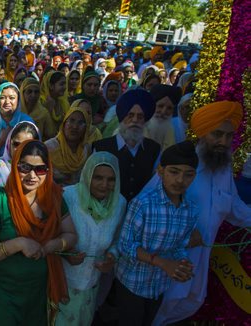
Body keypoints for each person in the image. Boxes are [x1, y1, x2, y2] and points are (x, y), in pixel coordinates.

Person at [153, 101, 251, 325]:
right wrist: (184, 235)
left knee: (187, 306)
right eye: (217, 134)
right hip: (167, 264)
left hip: (200, 265)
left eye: (228, 136)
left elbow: (236, 210)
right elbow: (150, 208)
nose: (223, 142)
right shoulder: (180, 166)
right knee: (157, 312)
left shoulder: (224, 168)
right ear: (203, 132)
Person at [0, 139, 77, 325]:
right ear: (15, 166)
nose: (32, 175)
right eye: (25, 167)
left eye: (40, 169)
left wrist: (52, 245)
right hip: (2, 293)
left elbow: (71, 235)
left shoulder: (54, 199)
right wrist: (18, 244)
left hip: (38, 292)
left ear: (48, 170)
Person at [116, 141, 200, 326]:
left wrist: (181, 264)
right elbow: (125, 245)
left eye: (188, 174)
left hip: (158, 286)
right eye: (174, 171)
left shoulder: (190, 209)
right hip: (132, 284)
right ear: (160, 171)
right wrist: (163, 263)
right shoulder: (143, 204)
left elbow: (179, 246)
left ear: (194, 177)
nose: (180, 180)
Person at [57, 152, 126, 326]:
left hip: (91, 286)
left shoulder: (119, 204)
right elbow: (51, 235)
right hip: (62, 283)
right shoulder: (68, 196)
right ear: (87, 175)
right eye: (98, 177)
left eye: (111, 179)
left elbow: (118, 240)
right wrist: (66, 253)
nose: (104, 185)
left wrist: (111, 256)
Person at [93, 89, 160, 201]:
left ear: (145, 120)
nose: (134, 120)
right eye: (130, 115)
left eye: (140, 116)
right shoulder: (101, 147)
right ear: (122, 117)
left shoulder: (154, 149)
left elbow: (155, 185)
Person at [46, 107, 92, 186]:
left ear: (86, 128)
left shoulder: (87, 150)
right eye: (71, 120)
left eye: (80, 123)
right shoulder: (48, 148)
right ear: (64, 124)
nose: (75, 127)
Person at [0, 82, 33, 155]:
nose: (7, 102)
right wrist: (2, 139)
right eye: (2, 98)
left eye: (12, 98)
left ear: (18, 100)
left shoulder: (26, 121)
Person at [145, 84, 182, 151]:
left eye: (169, 108)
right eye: (160, 106)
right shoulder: (138, 128)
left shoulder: (177, 130)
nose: (163, 112)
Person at [39, 71, 70, 138]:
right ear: (51, 86)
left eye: (65, 84)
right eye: (61, 84)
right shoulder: (41, 101)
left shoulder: (63, 103)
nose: (65, 87)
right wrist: (48, 109)